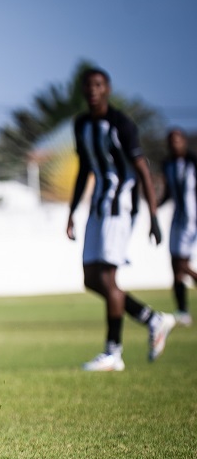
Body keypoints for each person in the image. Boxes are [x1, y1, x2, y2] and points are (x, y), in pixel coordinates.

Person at [66, 67, 175, 371]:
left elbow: (141, 168)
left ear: (107, 89)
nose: (93, 90)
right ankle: (153, 319)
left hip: (121, 206)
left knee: (108, 279)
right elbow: (85, 168)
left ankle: (113, 352)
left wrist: (153, 215)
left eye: (98, 85)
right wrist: (72, 212)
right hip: (97, 208)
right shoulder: (81, 124)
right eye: (88, 85)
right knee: (90, 279)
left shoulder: (121, 124)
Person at [160, 127, 197, 327]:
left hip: (192, 220)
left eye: (178, 140)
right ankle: (183, 310)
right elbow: (168, 193)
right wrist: (154, 206)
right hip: (176, 220)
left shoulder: (193, 162)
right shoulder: (167, 164)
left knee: (182, 264)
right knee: (175, 267)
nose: (175, 144)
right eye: (171, 141)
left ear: (184, 141)